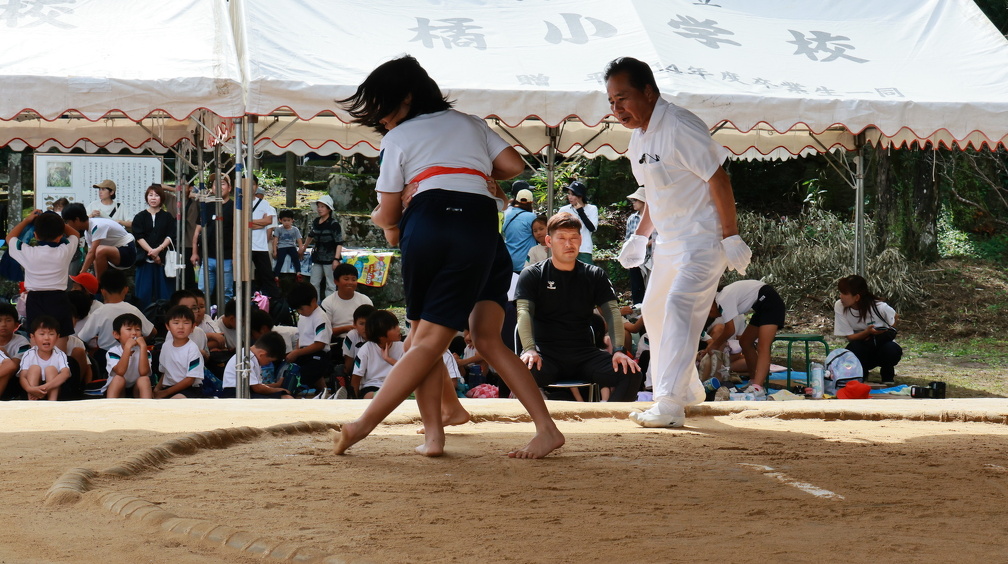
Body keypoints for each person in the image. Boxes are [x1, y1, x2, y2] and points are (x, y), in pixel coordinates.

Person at [334, 55, 564, 458]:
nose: (381, 119)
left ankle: (370, 426)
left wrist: (383, 215)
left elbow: (389, 216)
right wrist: (482, 177)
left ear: (406, 98)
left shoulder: (399, 137)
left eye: (382, 107)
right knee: (486, 338)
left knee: (422, 340)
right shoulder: (470, 123)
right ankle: (537, 428)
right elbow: (513, 164)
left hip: (434, 225)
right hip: (482, 230)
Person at [607, 56, 751, 428]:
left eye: (622, 98)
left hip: (702, 238)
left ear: (648, 92)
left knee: (679, 306)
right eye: (611, 102)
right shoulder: (638, 138)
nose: (617, 109)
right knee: (654, 311)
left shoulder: (679, 125)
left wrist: (730, 234)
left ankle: (669, 403)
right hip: (669, 242)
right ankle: (685, 388)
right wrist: (640, 236)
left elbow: (718, 179)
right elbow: (653, 193)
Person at [516, 212, 642, 402]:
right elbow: (523, 312)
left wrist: (618, 351)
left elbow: (612, 313)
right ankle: (542, 417)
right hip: (545, 354)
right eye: (562, 238)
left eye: (574, 238)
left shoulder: (594, 275)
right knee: (520, 371)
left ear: (581, 240)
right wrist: (529, 349)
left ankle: (609, 418)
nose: (569, 244)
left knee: (630, 371)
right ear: (549, 241)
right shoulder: (533, 274)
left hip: (584, 354)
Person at [6, 209, 80, 353]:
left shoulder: (28, 252)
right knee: (60, 343)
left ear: (35, 235)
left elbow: (10, 238)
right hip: (59, 299)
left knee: (37, 343)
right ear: (60, 236)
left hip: (35, 300)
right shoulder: (64, 250)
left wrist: (28, 220)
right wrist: (56, 220)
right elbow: (75, 235)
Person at [700, 280, 786, 397]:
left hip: (770, 303)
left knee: (763, 346)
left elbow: (730, 330)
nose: (717, 316)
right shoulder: (721, 299)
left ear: (710, 306)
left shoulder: (722, 299)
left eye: (711, 314)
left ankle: (758, 387)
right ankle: (754, 381)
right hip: (761, 306)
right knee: (745, 342)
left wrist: (713, 346)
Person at [76, 270, 156, 367]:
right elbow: (152, 332)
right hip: (131, 355)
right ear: (126, 289)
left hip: (105, 357)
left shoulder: (99, 312)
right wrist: (136, 342)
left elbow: (82, 338)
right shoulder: (133, 310)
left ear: (103, 291)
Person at [834, 274, 902, 385]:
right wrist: (867, 332)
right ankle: (861, 375)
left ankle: (887, 375)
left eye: (844, 293)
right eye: (840, 293)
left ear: (857, 297)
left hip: (881, 344)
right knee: (853, 349)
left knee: (891, 349)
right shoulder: (839, 306)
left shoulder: (879, 306)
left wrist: (890, 330)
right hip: (861, 346)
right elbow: (850, 337)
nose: (840, 296)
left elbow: (895, 316)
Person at [190, 172, 235, 306]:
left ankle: (225, 316)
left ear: (229, 188)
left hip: (227, 258)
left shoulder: (234, 207)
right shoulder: (207, 206)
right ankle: (204, 316)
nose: (219, 187)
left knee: (226, 292)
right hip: (207, 256)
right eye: (216, 184)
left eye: (222, 184)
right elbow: (198, 230)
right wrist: (194, 252)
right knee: (202, 291)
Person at [62, 203, 138, 281]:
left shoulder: (97, 226)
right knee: (97, 252)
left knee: (99, 250)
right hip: (115, 253)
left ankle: (100, 282)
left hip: (128, 251)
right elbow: (92, 256)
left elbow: (92, 252)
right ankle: (98, 282)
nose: (67, 225)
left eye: (67, 222)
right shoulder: (87, 232)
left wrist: (81, 273)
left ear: (77, 220)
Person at [131, 184, 175, 309]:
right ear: (146, 198)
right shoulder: (139, 217)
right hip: (144, 260)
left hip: (163, 261)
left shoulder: (167, 217)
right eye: (150, 195)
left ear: (162, 198)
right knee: (143, 294)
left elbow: (170, 236)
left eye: (156, 195)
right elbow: (139, 237)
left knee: (164, 294)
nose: (153, 198)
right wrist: (152, 252)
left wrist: (159, 250)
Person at [286, 281, 333, 394]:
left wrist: (297, 353)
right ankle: (324, 393)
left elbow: (320, 344)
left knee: (304, 375)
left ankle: (321, 392)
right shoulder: (303, 316)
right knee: (290, 372)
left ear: (313, 301)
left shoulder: (320, 317)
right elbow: (300, 336)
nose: (299, 312)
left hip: (319, 355)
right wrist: (296, 352)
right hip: (304, 353)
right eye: (297, 310)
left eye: (301, 309)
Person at [220, 331, 292, 399]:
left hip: (245, 392)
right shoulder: (247, 359)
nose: (268, 364)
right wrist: (279, 390)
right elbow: (258, 389)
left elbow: (257, 385)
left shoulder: (250, 356)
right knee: (285, 398)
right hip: (235, 394)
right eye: (269, 361)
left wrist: (276, 386)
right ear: (262, 354)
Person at [299, 194, 344, 300]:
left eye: (322, 207)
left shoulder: (334, 224)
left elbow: (339, 242)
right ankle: (316, 303)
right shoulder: (316, 222)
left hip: (330, 257)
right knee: (314, 282)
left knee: (330, 284)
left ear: (329, 209)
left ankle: (329, 305)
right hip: (318, 257)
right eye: (318, 206)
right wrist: (303, 248)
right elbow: (311, 235)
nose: (319, 209)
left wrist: (336, 259)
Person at [352, 309, 404, 399]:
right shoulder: (366, 349)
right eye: (393, 327)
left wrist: (389, 359)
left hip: (396, 385)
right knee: (370, 396)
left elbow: (409, 372)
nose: (398, 329)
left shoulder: (403, 347)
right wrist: (354, 399)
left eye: (397, 325)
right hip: (372, 387)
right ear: (380, 335)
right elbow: (356, 378)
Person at [155, 304, 204, 399]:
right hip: (169, 387)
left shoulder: (192, 349)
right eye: (176, 323)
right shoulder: (166, 346)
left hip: (190, 389)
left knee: (177, 400)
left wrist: (165, 393)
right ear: (168, 326)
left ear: (193, 327)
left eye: (186, 323)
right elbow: (165, 372)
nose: (181, 327)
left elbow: (190, 379)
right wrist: (157, 390)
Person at [18, 315, 72, 401]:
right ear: (33, 337)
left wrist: (44, 388)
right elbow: (23, 376)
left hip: (53, 387)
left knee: (51, 369)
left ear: (57, 337)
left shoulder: (59, 354)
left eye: (51, 334)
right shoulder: (29, 354)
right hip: (33, 389)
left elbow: (65, 373)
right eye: (42, 334)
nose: (46, 338)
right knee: (34, 368)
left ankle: (52, 403)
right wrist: (30, 389)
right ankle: (32, 402)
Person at [103, 313, 153, 399]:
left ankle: (146, 406)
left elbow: (144, 372)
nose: (134, 333)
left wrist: (143, 347)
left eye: (137, 329)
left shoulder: (145, 351)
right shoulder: (113, 352)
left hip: (136, 389)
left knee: (144, 379)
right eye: (129, 329)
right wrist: (127, 348)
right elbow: (120, 372)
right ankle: (111, 405)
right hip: (119, 390)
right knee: (119, 379)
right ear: (116, 334)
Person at [321, 263, 374, 338]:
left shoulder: (365, 300)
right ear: (336, 281)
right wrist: (345, 329)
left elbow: (373, 324)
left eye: (353, 279)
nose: (350, 282)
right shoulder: (328, 303)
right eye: (346, 279)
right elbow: (324, 331)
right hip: (338, 340)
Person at [249, 176, 280, 298]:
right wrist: (259, 223)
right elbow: (239, 223)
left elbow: (268, 221)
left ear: (256, 186)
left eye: (253, 184)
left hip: (260, 246)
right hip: (245, 246)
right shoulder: (238, 203)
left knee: (267, 276)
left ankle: (274, 301)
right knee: (245, 277)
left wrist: (249, 223)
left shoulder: (264, 203)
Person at [556, 181, 598, 264]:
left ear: (580, 196)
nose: (570, 197)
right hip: (566, 247)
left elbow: (592, 228)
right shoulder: (564, 210)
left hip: (584, 248)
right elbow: (557, 228)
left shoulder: (592, 209)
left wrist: (580, 211)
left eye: (573, 194)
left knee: (586, 271)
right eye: (569, 194)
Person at [624, 187, 651, 306]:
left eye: (636, 200)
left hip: (650, 259)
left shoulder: (654, 217)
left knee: (650, 288)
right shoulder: (632, 218)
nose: (633, 202)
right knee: (637, 288)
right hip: (635, 258)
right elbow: (628, 239)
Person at [341, 304, 377, 389]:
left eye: (369, 323)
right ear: (354, 324)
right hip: (359, 378)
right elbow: (348, 364)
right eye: (361, 324)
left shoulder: (382, 336)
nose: (366, 327)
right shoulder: (352, 336)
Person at [502, 188, 538, 273]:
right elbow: (539, 236)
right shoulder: (531, 217)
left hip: (508, 260)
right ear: (531, 203)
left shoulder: (507, 214)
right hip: (525, 263)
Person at [272, 209, 304, 280]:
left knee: (295, 258)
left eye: (288, 220)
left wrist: (301, 249)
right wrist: (275, 251)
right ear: (280, 220)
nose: (287, 222)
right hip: (282, 247)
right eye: (284, 220)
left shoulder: (295, 229)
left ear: (292, 220)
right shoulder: (278, 229)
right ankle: (276, 276)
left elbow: (299, 239)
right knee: (280, 260)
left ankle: (298, 273)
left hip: (291, 246)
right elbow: (275, 240)